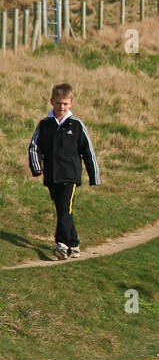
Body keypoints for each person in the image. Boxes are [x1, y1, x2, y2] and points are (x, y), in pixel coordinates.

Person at [28, 82, 100, 260]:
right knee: (62, 210)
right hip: (52, 176)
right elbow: (34, 147)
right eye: (58, 103)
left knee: (64, 208)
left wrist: (94, 176)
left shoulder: (76, 125)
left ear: (71, 104)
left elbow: (88, 151)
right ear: (52, 102)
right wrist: (37, 168)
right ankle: (74, 243)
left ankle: (61, 244)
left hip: (70, 175)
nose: (61, 107)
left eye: (65, 104)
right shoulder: (45, 125)